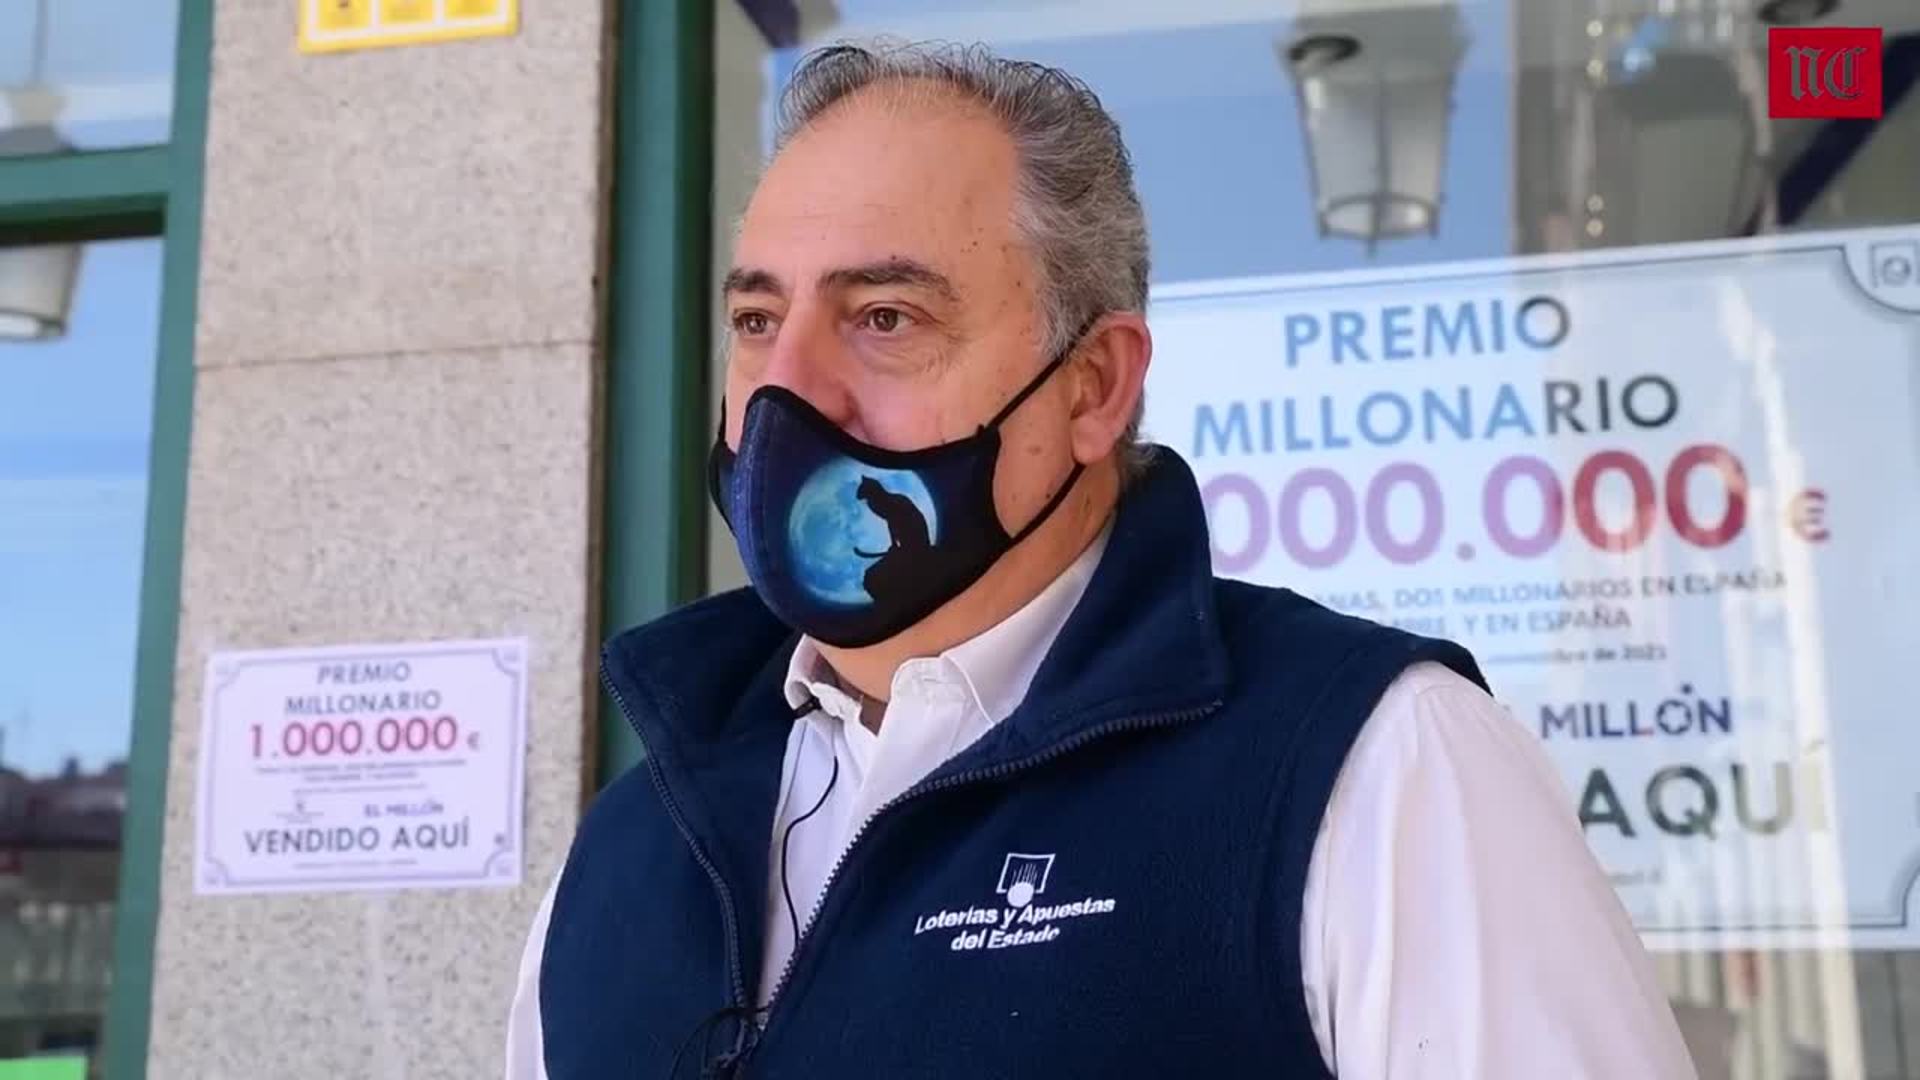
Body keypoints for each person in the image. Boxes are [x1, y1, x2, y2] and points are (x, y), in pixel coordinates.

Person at [505, 41, 1698, 1080]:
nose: (789, 391)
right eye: (758, 321)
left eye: (885, 318)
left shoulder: (1371, 766)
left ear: (1092, 387)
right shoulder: (627, 852)